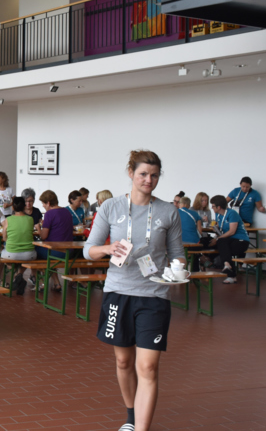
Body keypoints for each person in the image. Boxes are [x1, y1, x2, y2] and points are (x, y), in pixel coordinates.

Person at [83, 150, 184, 431]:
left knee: (148, 367)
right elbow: (88, 250)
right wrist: (106, 248)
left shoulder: (168, 211)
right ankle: (131, 416)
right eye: (142, 174)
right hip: (118, 292)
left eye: (153, 175)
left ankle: (141, 428)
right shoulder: (111, 207)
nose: (148, 180)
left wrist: (178, 269)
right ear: (130, 173)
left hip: (154, 295)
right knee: (124, 361)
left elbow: (178, 253)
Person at [36, 190, 76, 291]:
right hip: (68, 251)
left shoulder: (50, 213)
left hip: (55, 252)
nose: (43, 206)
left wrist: (38, 228)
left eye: (43, 204)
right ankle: (56, 282)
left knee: (33, 251)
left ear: (48, 203)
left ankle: (40, 283)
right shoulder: (67, 212)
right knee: (48, 256)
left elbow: (44, 236)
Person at [208, 195, 250, 284]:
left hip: (241, 241)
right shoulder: (218, 214)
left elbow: (232, 232)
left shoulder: (232, 213)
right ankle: (227, 266)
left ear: (219, 207)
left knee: (222, 245)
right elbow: (222, 228)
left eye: (213, 206)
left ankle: (229, 271)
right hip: (228, 240)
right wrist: (216, 229)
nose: (212, 208)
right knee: (208, 241)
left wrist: (218, 238)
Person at [0, 197, 36, 295]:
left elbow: (4, 238)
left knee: (1, 255)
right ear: (24, 206)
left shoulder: (8, 219)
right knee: (23, 259)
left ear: (13, 207)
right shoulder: (30, 219)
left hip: (11, 254)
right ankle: (19, 275)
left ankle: (17, 276)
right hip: (30, 254)